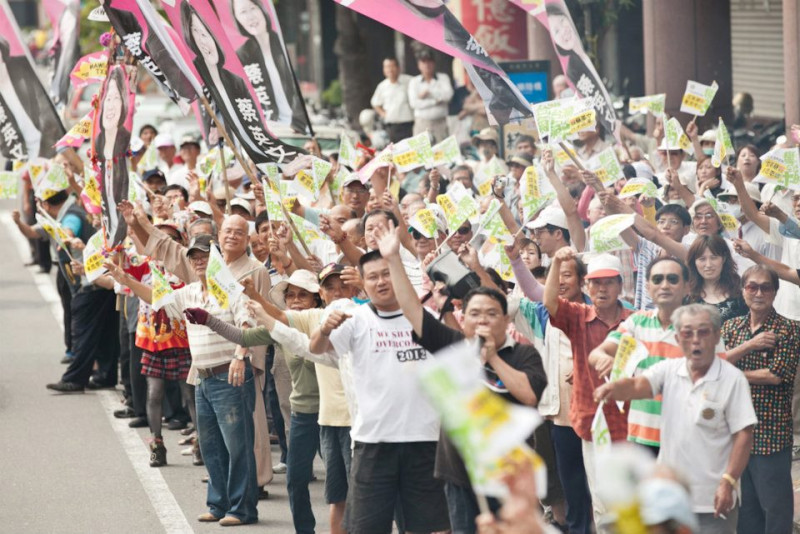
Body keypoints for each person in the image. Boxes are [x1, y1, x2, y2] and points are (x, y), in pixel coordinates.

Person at [377, 220, 547, 534]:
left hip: (511, 475)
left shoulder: (523, 355)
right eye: (475, 313)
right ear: (463, 319)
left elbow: (528, 396)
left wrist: (492, 355)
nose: (483, 319)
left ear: (504, 319)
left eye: (491, 313)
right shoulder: (453, 348)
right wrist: (392, 260)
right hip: (460, 474)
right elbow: (412, 311)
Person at [308, 250, 451, 534]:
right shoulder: (354, 318)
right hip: (373, 441)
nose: (382, 282)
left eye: (387, 274)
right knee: (367, 527)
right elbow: (316, 349)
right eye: (373, 277)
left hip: (424, 439)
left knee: (427, 527)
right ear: (363, 282)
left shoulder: (426, 317)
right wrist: (323, 330)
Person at [595, 304, 757, 534]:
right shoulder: (669, 370)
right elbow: (637, 385)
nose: (696, 340)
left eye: (703, 332)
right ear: (678, 338)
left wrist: (729, 481)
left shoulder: (732, 379)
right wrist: (614, 388)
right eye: (687, 333)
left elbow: (744, 434)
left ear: (716, 336)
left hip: (714, 500)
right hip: (670, 501)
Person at [544, 248, 632, 525]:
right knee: (602, 501)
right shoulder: (578, 316)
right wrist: (556, 261)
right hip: (593, 423)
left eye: (608, 282)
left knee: (631, 499)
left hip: (631, 423)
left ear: (621, 285)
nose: (602, 288)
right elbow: (550, 302)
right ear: (586, 286)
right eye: (595, 282)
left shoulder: (636, 320)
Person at [721, 265, 799, 534]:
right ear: (743, 291)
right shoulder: (731, 327)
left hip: (771, 432)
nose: (758, 293)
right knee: (746, 510)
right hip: (734, 431)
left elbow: (777, 375)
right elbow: (714, 367)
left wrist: (733, 372)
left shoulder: (789, 329)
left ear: (775, 292)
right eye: (752, 286)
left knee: (776, 509)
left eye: (765, 287)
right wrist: (750, 346)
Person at [229, 0, 308, 132]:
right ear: (237, 19)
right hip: (270, 129)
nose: (250, 16)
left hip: (298, 127)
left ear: (262, 9)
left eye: (253, 8)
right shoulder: (243, 55)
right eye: (243, 12)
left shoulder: (282, 44)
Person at [95, 66, 132, 247]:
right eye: (108, 99)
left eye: (116, 98)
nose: (110, 104)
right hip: (107, 236)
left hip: (125, 242)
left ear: (124, 104)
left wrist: (117, 243)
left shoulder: (128, 142)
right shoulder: (98, 143)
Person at [687, 235, 748, 322]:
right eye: (702, 259)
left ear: (724, 259)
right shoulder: (687, 295)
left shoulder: (741, 291)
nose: (708, 265)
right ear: (694, 262)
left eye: (713, 258)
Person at [408, 51, 453, 143]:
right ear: (419, 65)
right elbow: (414, 103)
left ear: (434, 63)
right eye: (424, 62)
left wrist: (429, 94)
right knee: (422, 153)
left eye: (429, 61)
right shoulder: (414, 82)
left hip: (440, 123)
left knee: (442, 153)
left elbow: (448, 95)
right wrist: (435, 102)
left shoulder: (443, 78)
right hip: (422, 123)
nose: (427, 65)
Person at [371, 58, 414, 143]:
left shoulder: (409, 81)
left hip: (409, 125)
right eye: (387, 67)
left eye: (392, 66)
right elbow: (375, 103)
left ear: (398, 68)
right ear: (384, 70)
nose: (390, 69)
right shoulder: (382, 86)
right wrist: (384, 114)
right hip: (392, 126)